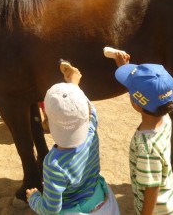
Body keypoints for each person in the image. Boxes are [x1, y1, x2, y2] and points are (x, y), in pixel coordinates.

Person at [26, 61, 120, 215]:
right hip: (102, 203)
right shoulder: (91, 130)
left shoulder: (53, 165)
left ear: (47, 121)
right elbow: (89, 108)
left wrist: (34, 198)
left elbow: (51, 209)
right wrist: (74, 86)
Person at [109, 48, 173, 215]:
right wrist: (127, 72)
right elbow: (147, 98)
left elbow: (151, 188)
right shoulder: (165, 118)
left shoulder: (146, 147)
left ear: (137, 104)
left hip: (156, 211)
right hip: (169, 198)